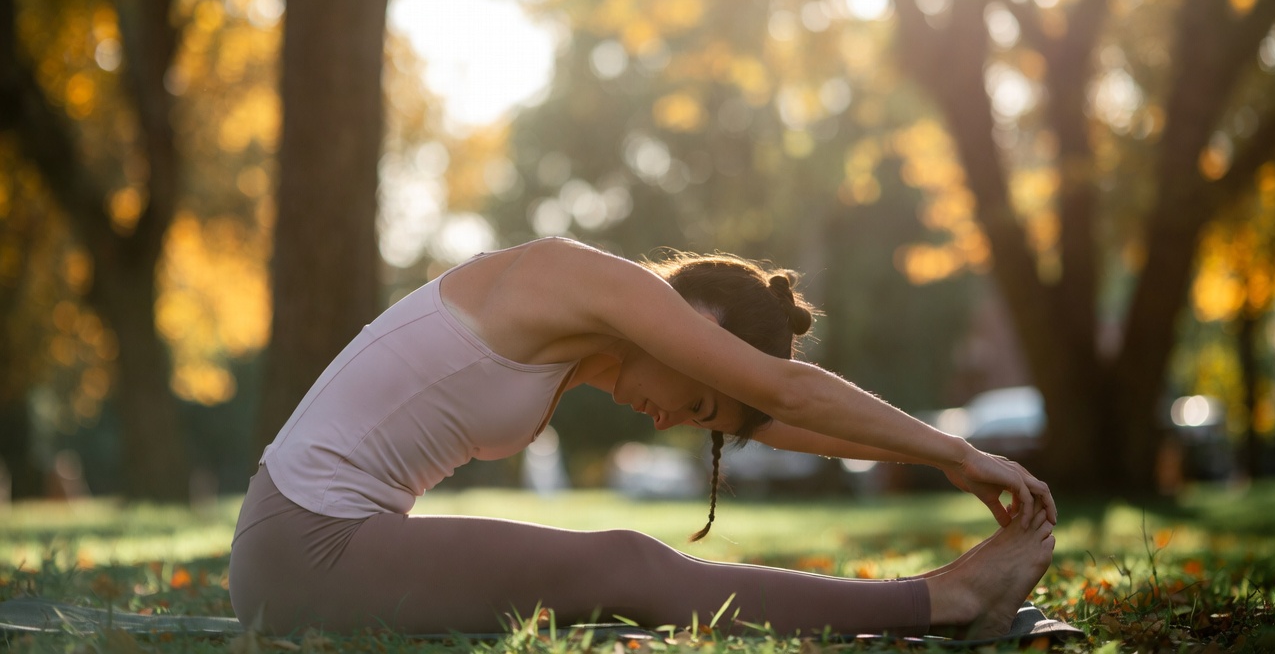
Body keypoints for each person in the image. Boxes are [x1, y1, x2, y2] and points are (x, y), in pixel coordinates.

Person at [230, 237, 1056, 638]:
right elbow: (784, 390)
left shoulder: (584, 344)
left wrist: (924, 453)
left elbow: (780, 416)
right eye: (697, 405)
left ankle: (946, 592)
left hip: (326, 539)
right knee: (627, 563)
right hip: (305, 546)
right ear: (696, 327)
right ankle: (948, 600)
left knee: (625, 565)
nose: (671, 423)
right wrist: (957, 451)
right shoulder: (576, 281)